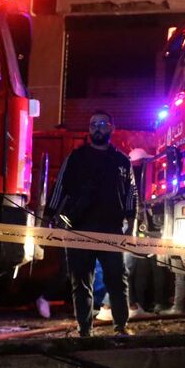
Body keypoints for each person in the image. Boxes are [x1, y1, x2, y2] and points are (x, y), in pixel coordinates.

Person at [45, 111, 138, 337]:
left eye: (102, 124)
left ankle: (121, 327)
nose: (97, 128)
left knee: (117, 280)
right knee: (81, 282)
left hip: (112, 231)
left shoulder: (122, 161)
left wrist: (132, 226)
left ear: (112, 128)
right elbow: (60, 187)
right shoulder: (76, 158)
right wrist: (49, 215)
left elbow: (131, 195)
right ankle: (84, 329)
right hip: (79, 229)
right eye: (93, 124)